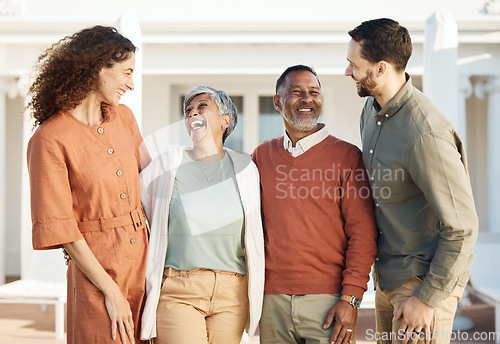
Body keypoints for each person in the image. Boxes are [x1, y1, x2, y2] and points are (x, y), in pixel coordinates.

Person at [345, 18, 479, 344]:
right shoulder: (371, 111)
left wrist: (427, 298)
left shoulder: (425, 133)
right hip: (389, 277)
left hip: (422, 282)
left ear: (381, 68)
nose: (347, 72)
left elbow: (462, 226)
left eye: (354, 65)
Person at [26, 26, 148, 344]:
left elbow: (154, 184)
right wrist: (111, 292)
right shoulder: (49, 139)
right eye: (126, 72)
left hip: (146, 265)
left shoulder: (125, 120)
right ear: (98, 67)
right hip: (98, 275)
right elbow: (61, 227)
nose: (131, 84)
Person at [252, 65, 378, 344]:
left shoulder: (347, 156)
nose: (307, 99)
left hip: (330, 300)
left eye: (314, 92)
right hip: (272, 301)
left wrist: (351, 300)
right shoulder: (262, 155)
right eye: (296, 92)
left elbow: (363, 234)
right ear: (277, 102)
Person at [139, 85, 264, 344]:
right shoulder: (168, 164)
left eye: (202, 107)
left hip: (232, 293)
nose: (192, 113)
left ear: (225, 120)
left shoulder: (246, 169)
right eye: (188, 111)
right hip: (179, 291)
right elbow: (132, 203)